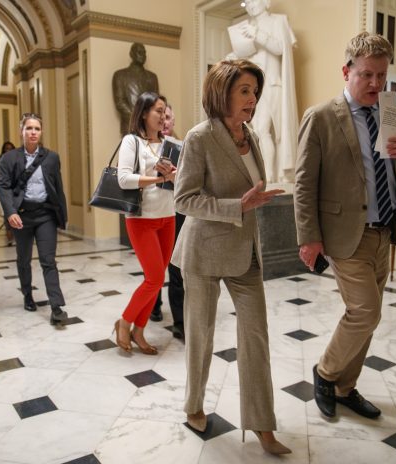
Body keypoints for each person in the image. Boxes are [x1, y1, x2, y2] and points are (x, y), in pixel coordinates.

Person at [294, 32, 396, 420]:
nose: (376, 84)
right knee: (365, 312)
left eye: (382, 75)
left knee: (369, 316)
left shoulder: (389, 114)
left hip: (384, 231)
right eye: (367, 75)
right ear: (346, 72)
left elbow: (395, 171)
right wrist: (309, 238)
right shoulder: (321, 117)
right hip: (346, 234)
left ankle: (346, 387)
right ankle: (326, 373)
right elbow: (304, 182)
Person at [172, 59, 289, 455]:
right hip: (203, 252)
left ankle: (262, 424)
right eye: (244, 91)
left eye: (254, 91)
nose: (252, 99)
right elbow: (184, 199)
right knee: (200, 335)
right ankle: (194, 404)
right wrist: (236, 206)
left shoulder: (251, 136)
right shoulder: (199, 137)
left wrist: (252, 202)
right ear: (222, 93)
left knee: (256, 335)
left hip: (245, 252)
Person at [113, 92, 176, 355]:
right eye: (158, 111)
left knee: (158, 280)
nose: (163, 117)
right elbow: (124, 179)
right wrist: (158, 179)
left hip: (168, 216)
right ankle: (124, 322)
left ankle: (139, 330)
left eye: (165, 112)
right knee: (154, 278)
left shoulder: (170, 144)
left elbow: (180, 180)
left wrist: (174, 175)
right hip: (141, 218)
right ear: (143, 113)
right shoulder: (132, 141)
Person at [0, 114, 70, 325]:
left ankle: (56, 307)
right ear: (22, 131)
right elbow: (2, 186)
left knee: (48, 260)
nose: (33, 132)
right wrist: (10, 212)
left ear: (41, 132)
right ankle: (27, 294)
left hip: (45, 214)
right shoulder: (9, 158)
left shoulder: (52, 157)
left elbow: (58, 187)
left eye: (37, 128)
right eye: (29, 128)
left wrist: (62, 215)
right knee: (24, 259)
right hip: (22, 215)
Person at [226, 0, 298, 183]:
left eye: (254, 0)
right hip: (253, 89)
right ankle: (266, 176)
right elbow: (248, 57)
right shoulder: (246, 27)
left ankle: (272, 176)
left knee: (271, 131)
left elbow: (281, 48)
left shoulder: (278, 21)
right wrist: (233, 58)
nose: (251, 4)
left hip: (272, 84)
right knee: (260, 131)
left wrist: (257, 34)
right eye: (247, 1)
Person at [150, 104, 186, 340]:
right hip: (152, 211)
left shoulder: (184, 147)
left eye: (169, 117)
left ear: (173, 121)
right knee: (154, 265)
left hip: (177, 213)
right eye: (161, 116)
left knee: (176, 268)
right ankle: (153, 304)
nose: (165, 121)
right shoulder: (148, 147)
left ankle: (180, 322)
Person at [112, 43, 160, 136]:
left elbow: (156, 102)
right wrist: (137, 118)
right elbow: (120, 103)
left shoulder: (152, 77)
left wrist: (148, 120)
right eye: (139, 52)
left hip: (149, 127)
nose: (143, 55)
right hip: (129, 127)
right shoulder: (120, 75)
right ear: (132, 54)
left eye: (144, 53)